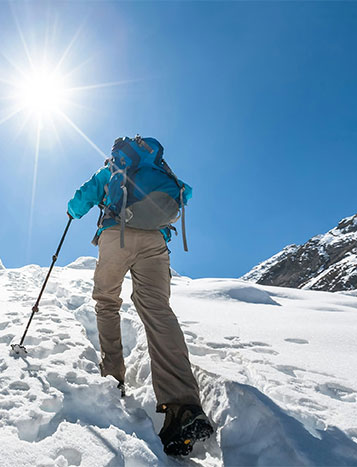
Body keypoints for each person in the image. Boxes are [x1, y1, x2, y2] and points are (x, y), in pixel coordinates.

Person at [66, 136, 214, 456]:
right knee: (158, 311)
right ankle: (183, 408)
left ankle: (113, 378)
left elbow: (79, 201)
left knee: (107, 302)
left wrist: (72, 210)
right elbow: (184, 193)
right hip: (156, 244)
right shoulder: (161, 170)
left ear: (119, 153)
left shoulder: (111, 170)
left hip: (115, 235)